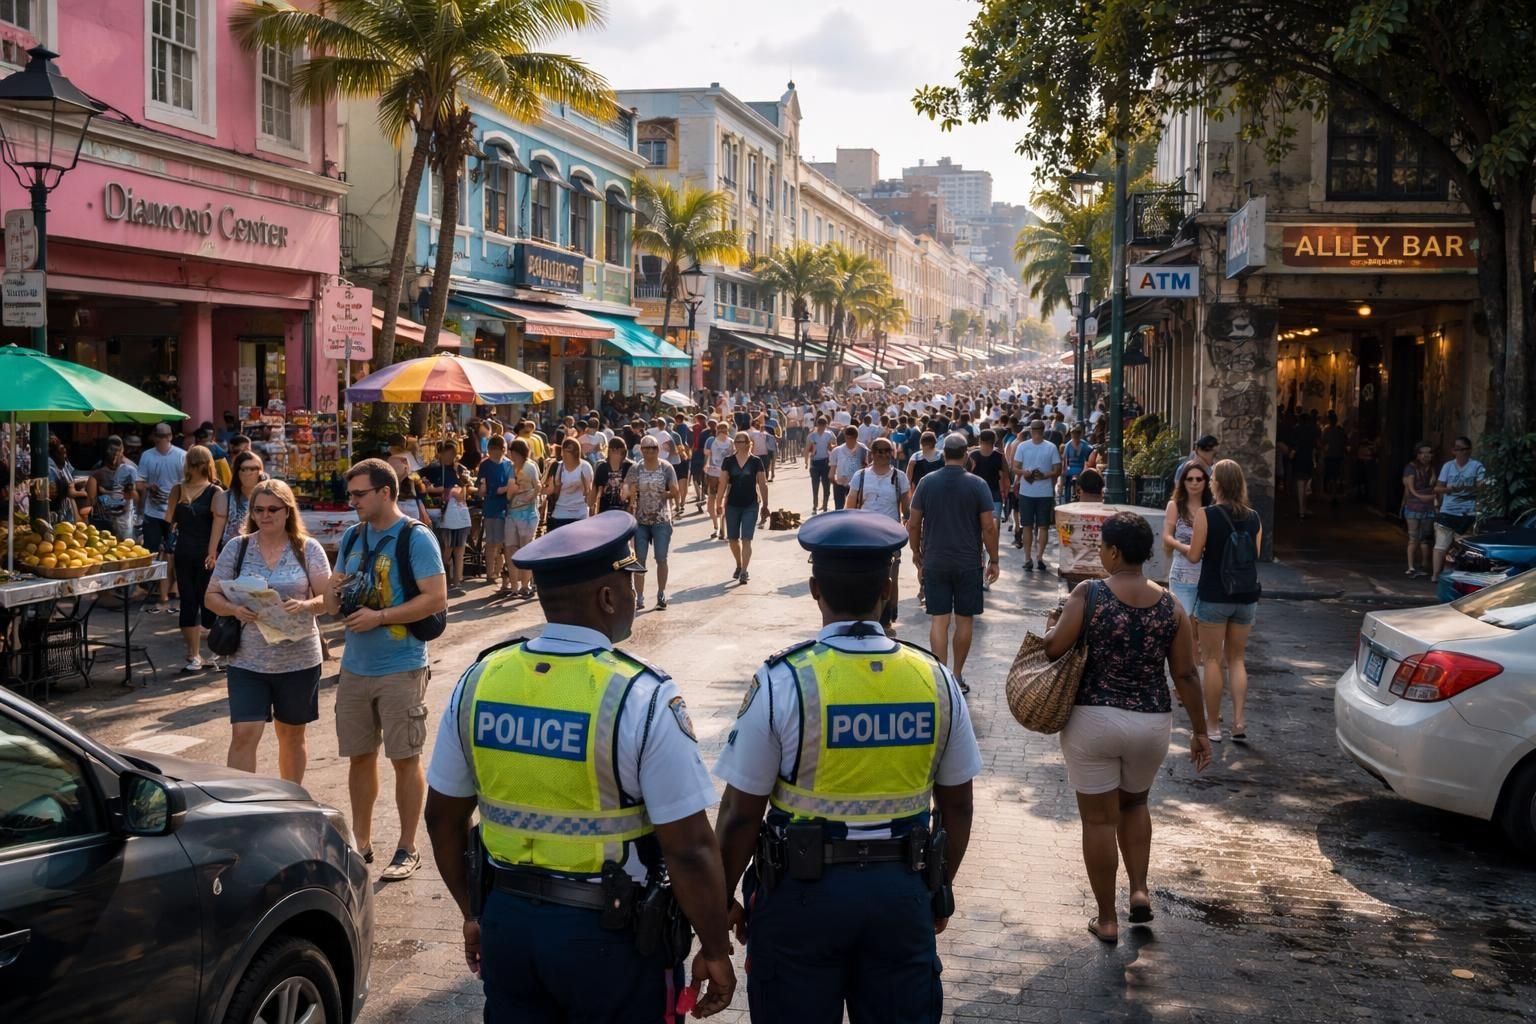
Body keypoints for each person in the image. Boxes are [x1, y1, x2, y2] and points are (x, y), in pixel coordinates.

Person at [422, 512, 736, 1021]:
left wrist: (474, 913)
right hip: (611, 938)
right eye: (629, 584)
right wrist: (716, 948)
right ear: (607, 598)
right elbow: (691, 848)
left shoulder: (480, 680)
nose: (635, 596)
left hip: (510, 924)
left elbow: (442, 817)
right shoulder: (640, 694)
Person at [712, 510, 980, 1022]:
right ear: (888, 586)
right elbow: (958, 805)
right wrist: (938, 889)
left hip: (799, 900)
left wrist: (722, 899)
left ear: (815, 589)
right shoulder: (936, 679)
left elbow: (740, 814)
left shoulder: (784, 681)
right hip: (900, 894)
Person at [1042, 512, 1211, 943]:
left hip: (1093, 720)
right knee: (1135, 805)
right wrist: (1200, 731)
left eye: (1102, 548)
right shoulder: (1171, 606)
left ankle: (1107, 919)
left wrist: (1050, 626)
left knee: (1099, 821)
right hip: (1150, 724)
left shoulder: (1089, 593)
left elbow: (1053, 648)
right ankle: (1138, 890)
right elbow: (1187, 676)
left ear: (1114, 552)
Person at [324, 458, 449, 880]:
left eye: (360, 494)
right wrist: (331, 592)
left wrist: (381, 617)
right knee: (360, 757)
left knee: (404, 758)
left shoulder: (415, 537)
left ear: (385, 492)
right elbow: (331, 598)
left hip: (401, 665)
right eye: (351, 495)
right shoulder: (353, 536)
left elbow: (436, 598)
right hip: (356, 667)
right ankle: (361, 843)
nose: (353, 501)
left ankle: (407, 847)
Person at [205, 479, 331, 785]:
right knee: (243, 733)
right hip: (248, 659)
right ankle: (240, 808)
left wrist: (304, 605)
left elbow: (329, 599)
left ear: (287, 511)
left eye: (273, 509)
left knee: (291, 735)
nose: (266, 515)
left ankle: (290, 800)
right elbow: (211, 596)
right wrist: (234, 609)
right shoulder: (238, 547)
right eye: (259, 509)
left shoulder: (307, 548)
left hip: (298, 659)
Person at [908, 433, 1000, 694]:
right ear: (966, 456)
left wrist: (916, 552)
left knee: (939, 620)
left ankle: (941, 678)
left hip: (935, 559)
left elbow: (914, 523)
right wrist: (993, 559)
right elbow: (988, 527)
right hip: (968, 561)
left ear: (943, 453)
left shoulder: (927, 483)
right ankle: (957, 676)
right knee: (964, 620)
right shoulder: (978, 485)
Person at [1186, 460, 1263, 743]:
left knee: (1212, 660)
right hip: (1245, 596)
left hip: (1214, 595)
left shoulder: (1207, 515)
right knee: (1237, 659)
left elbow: (1194, 556)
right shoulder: (1254, 517)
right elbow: (1254, 553)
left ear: (1216, 484)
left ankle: (1213, 726)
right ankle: (1239, 722)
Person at [167, 445, 227, 673]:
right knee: (189, 602)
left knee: (207, 601)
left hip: (202, 552)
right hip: (187, 552)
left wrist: (212, 553)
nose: (197, 467)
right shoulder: (179, 490)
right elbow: (169, 520)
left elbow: (218, 525)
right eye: (195, 462)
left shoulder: (215, 491)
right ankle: (194, 654)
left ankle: (210, 652)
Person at [846, 437, 912, 635]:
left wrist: (911, 527)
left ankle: (886, 616)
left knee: (890, 576)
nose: (884, 454)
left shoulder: (899, 477)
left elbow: (906, 507)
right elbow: (850, 504)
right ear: (872, 454)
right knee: (865, 575)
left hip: (890, 535)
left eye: (887, 451)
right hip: (864, 534)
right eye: (880, 451)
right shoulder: (861, 476)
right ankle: (865, 614)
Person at [624, 435, 681, 610]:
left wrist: (667, 494)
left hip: (661, 519)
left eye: (653, 448)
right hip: (641, 520)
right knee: (639, 559)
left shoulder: (666, 468)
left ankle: (661, 593)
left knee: (661, 558)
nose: (649, 451)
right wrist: (630, 492)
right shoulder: (636, 468)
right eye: (645, 448)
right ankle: (639, 597)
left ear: (658, 449)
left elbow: (675, 490)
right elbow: (626, 488)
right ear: (641, 450)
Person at [137, 422, 186, 613]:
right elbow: (139, 483)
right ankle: (156, 590)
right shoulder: (147, 456)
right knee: (153, 552)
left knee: (173, 553)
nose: (161, 441)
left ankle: (172, 588)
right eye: (158, 438)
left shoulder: (181, 456)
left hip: (174, 511)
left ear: (170, 438)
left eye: (163, 438)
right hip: (153, 511)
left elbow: (188, 483)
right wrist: (150, 487)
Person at [421, 440, 473, 595]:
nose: (451, 457)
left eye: (453, 453)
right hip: (440, 513)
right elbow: (423, 486)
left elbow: (465, 489)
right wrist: (441, 490)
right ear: (440, 453)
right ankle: (444, 580)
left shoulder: (459, 469)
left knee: (459, 549)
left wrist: (461, 487)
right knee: (445, 548)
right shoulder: (432, 469)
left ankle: (458, 580)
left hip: (459, 513)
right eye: (448, 453)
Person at [1432, 436, 1485, 583]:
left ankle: (1457, 575)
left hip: (1468, 510)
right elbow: (1437, 487)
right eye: (1459, 449)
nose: (1463, 453)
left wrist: (1469, 488)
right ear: (1453, 451)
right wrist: (1449, 489)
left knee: (1464, 546)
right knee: (1441, 546)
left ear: (1470, 450)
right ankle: (1436, 575)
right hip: (1448, 510)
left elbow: (1482, 486)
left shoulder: (1476, 466)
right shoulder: (1448, 466)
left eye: (1465, 449)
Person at [1162, 461, 1211, 617]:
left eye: (1198, 479)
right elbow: (1167, 536)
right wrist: (1186, 548)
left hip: (1208, 575)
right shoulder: (1175, 506)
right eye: (1189, 479)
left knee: (1204, 628)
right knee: (1182, 623)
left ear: (1206, 482)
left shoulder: (1212, 508)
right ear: (1183, 481)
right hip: (1182, 575)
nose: (1194, 483)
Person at [1013, 419, 1061, 573]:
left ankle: (1028, 558)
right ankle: (1039, 556)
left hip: (1027, 492)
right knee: (1043, 526)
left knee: (1027, 525)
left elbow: (1015, 467)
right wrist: (1046, 475)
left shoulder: (1023, 446)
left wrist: (1025, 473)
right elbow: (1057, 470)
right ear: (1043, 430)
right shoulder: (1051, 447)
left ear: (1031, 431)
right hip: (1044, 492)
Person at [721, 431, 769, 585]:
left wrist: (766, 505)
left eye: (741, 442)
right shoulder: (728, 461)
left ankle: (744, 571)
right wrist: (718, 502)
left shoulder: (756, 462)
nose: (738, 444)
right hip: (732, 505)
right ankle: (739, 564)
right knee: (733, 540)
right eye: (736, 441)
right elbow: (723, 482)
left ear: (748, 443)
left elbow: (762, 483)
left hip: (751, 505)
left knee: (746, 539)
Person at [502, 438, 542, 598]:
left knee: (526, 550)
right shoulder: (510, 468)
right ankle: (514, 586)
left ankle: (525, 585)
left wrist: (530, 496)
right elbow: (509, 492)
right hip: (512, 513)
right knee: (511, 549)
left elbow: (538, 485)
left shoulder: (530, 467)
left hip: (527, 514)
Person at [476, 436, 514, 589]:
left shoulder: (508, 464)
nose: (501, 453)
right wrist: (503, 489)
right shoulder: (485, 465)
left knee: (503, 543)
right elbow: (482, 488)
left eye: (503, 449)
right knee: (492, 542)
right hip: (492, 507)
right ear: (491, 450)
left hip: (507, 507)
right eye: (498, 450)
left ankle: (499, 571)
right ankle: (490, 572)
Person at [86, 435, 139, 539]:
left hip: (124, 519)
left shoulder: (130, 468)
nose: (115, 454)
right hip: (102, 519)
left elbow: (135, 496)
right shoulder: (98, 469)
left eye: (118, 451)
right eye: (111, 450)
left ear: (122, 451)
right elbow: (91, 499)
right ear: (106, 450)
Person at [215, 450, 265, 550]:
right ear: (237, 472)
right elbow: (217, 528)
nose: (248, 473)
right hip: (232, 552)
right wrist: (212, 552)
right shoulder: (225, 497)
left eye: (253, 469)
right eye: (244, 469)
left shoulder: (270, 497)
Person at [1401, 441, 1438, 579]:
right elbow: (1411, 489)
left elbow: (1438, 486)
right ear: (1417, 454)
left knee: (1426, 538)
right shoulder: (1411, 468)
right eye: (1423, 453)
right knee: (1413, 538)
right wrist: (1422, 496)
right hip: (1414, 506)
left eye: (1429, 452)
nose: (1426, 455)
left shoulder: (1433, 468)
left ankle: (1423, 565)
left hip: (1428, 506)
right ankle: (1411, 567)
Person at [544, 438, 594, 531]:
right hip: (560, 513)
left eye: (570, 451)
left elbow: (589, 492)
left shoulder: (585, 467)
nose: (567, 455)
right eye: (566, 451)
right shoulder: (557, 467)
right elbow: (550, 490)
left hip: (580, 513)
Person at [829, 426, 868, 512]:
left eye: (851, 438)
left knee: (854, 510)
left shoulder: (863, 449)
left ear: (856, 437)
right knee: (840, 509)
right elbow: (831, 473)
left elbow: (868, 467)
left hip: (857, 485)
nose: (849, 440)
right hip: (841, 484)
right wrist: (836, 482)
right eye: (847, 438)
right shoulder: (837, 451)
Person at [592, 436, 633, 515]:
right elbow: (596, 492)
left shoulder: (630, 467)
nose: (616, 452)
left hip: (625, 512)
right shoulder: (602, 467)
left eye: (619, 450)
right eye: (613, 450)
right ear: (609, 450)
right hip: (605, 511)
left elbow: (634, 492)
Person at [706, 419, 732, 539]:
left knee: (713, 498)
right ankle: (721, 527)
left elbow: (706, 453)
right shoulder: (731, 441)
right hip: (726, 473)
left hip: (713, 472)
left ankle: (716, 526)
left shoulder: (711, 440)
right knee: (724, 499)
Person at [1291, 413, 1320, 518]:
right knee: (1306, 486)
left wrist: (1291, 455)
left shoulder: (1297, 430)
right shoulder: (1312, 431)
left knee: (1300, 485)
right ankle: (1304, 508)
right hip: (1308, 460)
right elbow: (1315, 447)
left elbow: (1295, 447)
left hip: (1299, 460)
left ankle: (1301, 511)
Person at [388, 453, 431, 523]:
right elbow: (422, 492)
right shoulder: (413, 477)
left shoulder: (390, 479)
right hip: (411, 507)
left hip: (396, 507)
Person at [806, 416, 836, 513]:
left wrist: (831, 446)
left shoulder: (829, 435)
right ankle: (815, 505)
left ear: (826, 425)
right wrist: (806, 461)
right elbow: (807, 448)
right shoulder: (812, 436)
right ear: (817, 425)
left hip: (825, 462)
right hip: (815, 462)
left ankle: (825, 505)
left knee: (826, 485)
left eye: (823, 426)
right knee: (815, 485)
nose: (822, 427)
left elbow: (834, 446)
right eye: (820, 425)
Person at [1062, 425, 1091, 503]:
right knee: (1067, 479)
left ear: (1080, 434)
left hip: (1081, 468)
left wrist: (1086, 468)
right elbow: (1065, 460)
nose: (1075, 435)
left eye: (1077, 433)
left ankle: (1081, 497)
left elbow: (1089, 456)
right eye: (1073, 433)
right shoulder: (1068, 445)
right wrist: (1064, 471)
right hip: (1070, 468)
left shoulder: (1085, 445)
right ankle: (1067, 500)